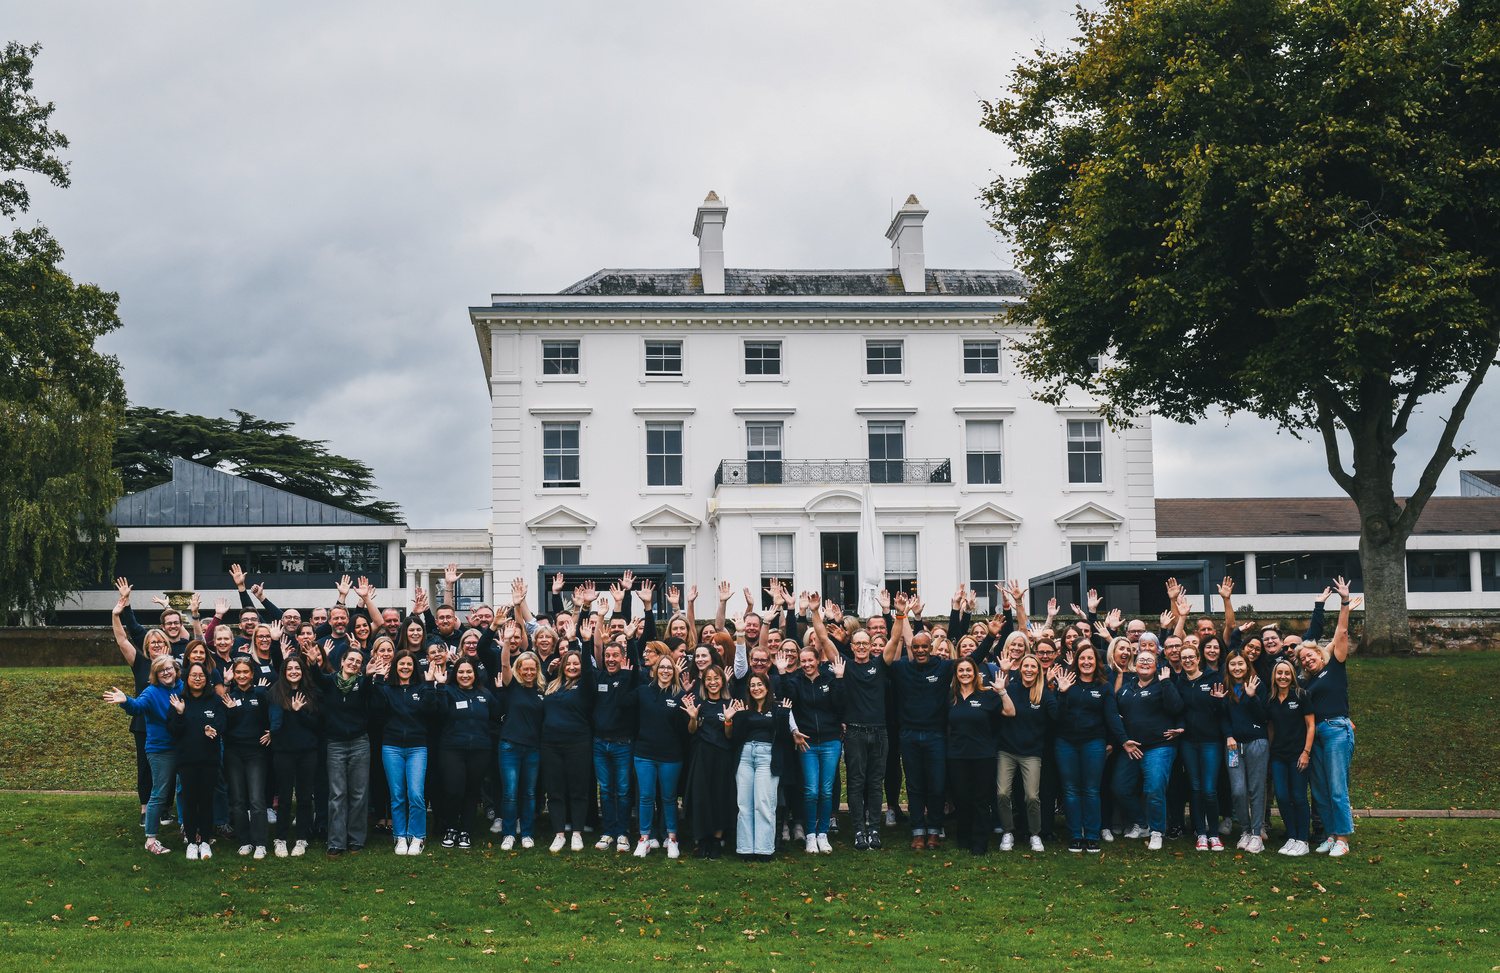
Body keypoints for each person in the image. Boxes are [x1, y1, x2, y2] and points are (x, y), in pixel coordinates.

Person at [1300, 579, 1361, 857]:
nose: (1305, 660)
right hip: (1317, 735)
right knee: (1321, 790)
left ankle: (1343, 838)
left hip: (1337, 730)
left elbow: (1342, 631)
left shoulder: (1335, 665)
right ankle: (1329, 835)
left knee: (1338, 787)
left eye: (1308, 655)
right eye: (1302, 659)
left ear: (1319, 653)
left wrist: (1344, 601)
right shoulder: (1309, 683)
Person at [110, 579, 174, 830]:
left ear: (167, 645)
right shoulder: (140, 662)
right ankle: (146, 808)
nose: (157, 645)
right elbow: (121, 639)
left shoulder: (175, 666)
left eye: (161, 642)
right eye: (152, 642)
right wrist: (117, 614)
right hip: (143, 722)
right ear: (147, 646)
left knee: (171, 765)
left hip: (170, 721)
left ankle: (166, 807)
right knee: (146, 767)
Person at [102, 654, 182, 855]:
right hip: (160, 750)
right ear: (155, 674)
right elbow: (137, 707)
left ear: (175, 669)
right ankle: (151, 839)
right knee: (160, 792)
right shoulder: (152, 692)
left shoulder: (182, 687)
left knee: (184, 789)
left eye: (169, 668)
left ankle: (186, 829)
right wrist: (126, 700)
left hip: (183, 747)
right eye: (161, 670)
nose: (166, 672)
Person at [1052, 643, 1125, 852]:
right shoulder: (1067, 682)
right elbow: (1056, 716)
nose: (1086, 662)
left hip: (1093, 743)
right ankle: (1076, 834)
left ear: (1097, 663)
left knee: (1092, 790)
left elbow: (1112, 716)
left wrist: (1122, 739)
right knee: (1071, 790)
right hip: (1065, 743)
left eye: (1090, 659)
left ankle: (1092, 834)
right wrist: (1063, 692)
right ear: (1076, 661)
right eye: (1082, 658)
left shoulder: (1104, 686)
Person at [312, 644, 381, 857]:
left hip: (359, 743)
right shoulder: (330, 682)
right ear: (342, 661)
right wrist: (314, 662)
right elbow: (317, 678)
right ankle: (336, 841)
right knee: (337, 794)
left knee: (359, 794)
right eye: (350, 660)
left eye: (358, 662)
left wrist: (369, 677)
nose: (353, 663)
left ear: (361, 667)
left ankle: (356, 839)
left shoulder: (362, 683)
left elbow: (369, 695)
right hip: (335, 744)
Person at [1112, 648, 1182, 850]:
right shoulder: (1127, 687)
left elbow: (1177, 707)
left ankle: (1156, 831)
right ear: (1135, 663)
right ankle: (1141, 824)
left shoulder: (1164, 684)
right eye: (1141, 659)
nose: (1144, 662)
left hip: (1159, 746)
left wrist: (1167, 682)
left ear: (1156, 665)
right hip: (1132, 747)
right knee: (1120, 787)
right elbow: (1115, 710)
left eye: (1149, 660)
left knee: (1154, 788)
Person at [430, 658, 502, 850]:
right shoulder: (449, 691)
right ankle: (451, 828)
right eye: (461, 672)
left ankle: (465, 831)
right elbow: (440, 712)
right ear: (456, 674)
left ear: (475, 674)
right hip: (452, 749)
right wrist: (441, 687)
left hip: (480, 749)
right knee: (454, 791)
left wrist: (501, 690)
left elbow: (500, 715)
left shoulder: (485, 694)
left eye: (469, 672)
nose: (465, 675)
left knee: (471, 792)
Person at [946, 657, 1013, 855]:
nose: (965, 673)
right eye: (961, 671)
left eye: (969, 670)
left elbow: (1010, 711)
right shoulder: (951, 697)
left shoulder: (986, 695)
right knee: (961, 798)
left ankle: (980, 841)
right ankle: (964, 837)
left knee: (981, 799)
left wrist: (1002, 691)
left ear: (975, 673)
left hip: (982, 755)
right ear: (956, 674)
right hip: (957, 755)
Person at [782, 645, 846, 854]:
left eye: (811, 660)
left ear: (818, 660)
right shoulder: (795, 682)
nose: (807, 664)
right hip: (806, 742)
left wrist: (838, 679)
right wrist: (782, 673)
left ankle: (823, 834)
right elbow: (788, 701)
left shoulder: (828, 679)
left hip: (830, 741)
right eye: (804, 661)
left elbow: (839, 705)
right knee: (811, 791)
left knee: (826, 791)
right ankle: (810, 835)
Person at [727, 672, 793, 861]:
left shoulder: (778, 708)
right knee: (745, 804)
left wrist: (785, 715)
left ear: (767, 687)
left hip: (767, 757)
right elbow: (736, 738)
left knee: (764, 804)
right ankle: (746, 848)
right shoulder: (745, 709)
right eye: (752, 685)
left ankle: (764, 849)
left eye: (759, 684)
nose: (756, 688)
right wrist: (737, 717)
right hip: (746, 756)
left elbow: (782, 737)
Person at [996, 654, 1057, 852]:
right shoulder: (1011, 689)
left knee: (1032, 796)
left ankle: (1035, 834)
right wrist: (1004, 675)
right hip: (1007, 751)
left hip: (1032, 753)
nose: (1029, 669)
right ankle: (1007, 832)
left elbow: (1057, 716)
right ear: (1020, 669)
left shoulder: (1044, 693)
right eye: (1026, 666)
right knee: (1003, 793)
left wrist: (1062, 693)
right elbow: (1000, 709)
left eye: (1033, 666)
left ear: (1039, 670)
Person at [374, 649, 431, 855]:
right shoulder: (387, 689)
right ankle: (399, 836)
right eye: (401, 664)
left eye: (409, 664)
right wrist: (379, 680)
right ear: (395, 666)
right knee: (397, 795)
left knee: (415, 793)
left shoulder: (422, 688)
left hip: (417, 747)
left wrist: (432, 685)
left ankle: (417, 836)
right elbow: (377, 709)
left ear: (414, 667)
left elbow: (431, 711)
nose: (405, 667)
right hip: (392, 747)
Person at [541, 647, 597, 852]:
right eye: (569, 663)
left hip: (578, 743)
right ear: (563, 666)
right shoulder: (552, 686)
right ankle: (559, 834)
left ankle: (577, 834)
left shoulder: (585, 686)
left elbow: (590, 673)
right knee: (555, 791)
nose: (572, 667)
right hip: (550, 744)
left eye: (577, 663)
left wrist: (584, 641)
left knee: (578, 790)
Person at [169, 661, 227, 860]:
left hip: (209, 760)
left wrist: (214, 728)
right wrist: (179, 713)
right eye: (193, 675)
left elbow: (222, 721)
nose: (197, 678)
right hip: (187, 761)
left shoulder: (215, 700)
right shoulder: (178, 700)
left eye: (201, 675)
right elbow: (174, 730)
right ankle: (192, 843)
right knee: (190, 802)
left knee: (206, 801)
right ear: (187, 678)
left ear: (206, 678)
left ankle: (205, 841)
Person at [632, 655, 688, 859]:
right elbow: (623, 706)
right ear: (654, 671)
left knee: (669, 798)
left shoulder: (680, 695)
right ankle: (644, 839)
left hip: (671, 756)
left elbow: (686, 730)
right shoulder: (643, 692)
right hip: (644, 753)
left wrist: (690, 717)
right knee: (646, 798)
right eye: (661, 667)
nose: (665, 671)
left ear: (674, 672)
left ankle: (672, 839)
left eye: (669, 668)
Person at [1176, 643, 1228, 851]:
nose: (1187, 661)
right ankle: (1201, 834)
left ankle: (1214, 834)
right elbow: (1176, 710)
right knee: (1195, 789)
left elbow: (1224, 710)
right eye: (1184, 658)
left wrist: (1218, 703)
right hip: (1188, 742)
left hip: (1211, 742)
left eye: (1191, 657)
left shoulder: (1214, 679)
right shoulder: (1178, 683)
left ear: (1198, 659)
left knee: (1209, 789)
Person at [681, 664, 737, 859]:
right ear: (704, 683)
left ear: (723, 681)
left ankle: (716, 841)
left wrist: (729, 721)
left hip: (722, 757)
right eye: (708, 679)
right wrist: (693, 718)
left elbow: (730, 736)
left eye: (716, 678)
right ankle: (703, 839)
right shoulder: (698, 702)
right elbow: (691, 731)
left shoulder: (730, 703)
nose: (712, 682)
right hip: (702, 756)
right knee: (702, 797)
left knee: (720, 797)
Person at [268, 656, 320, 857]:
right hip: (284, 752)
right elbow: (275, 721)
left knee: (305, 797)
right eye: (289, 668)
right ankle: (280, 839)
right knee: (284, 798)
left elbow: (316, 724)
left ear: (302, 671)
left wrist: (299, 712)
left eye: (297, 668)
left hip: (307, 751)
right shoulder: (275, 693)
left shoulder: (310, 692)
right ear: (284, 671)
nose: (293, 671)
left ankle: (301, 839)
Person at [496, 643, 545, 850]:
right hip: (510, 747)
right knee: (510, 793)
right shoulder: (512, 686)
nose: (529, 672)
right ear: (519, 669)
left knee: (529, 793)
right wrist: (506, 642)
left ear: (537, 670)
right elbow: (504, 663)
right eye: (525, 668)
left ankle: (526, 833)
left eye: (532, 668)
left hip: (533, 748)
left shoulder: (543, 690)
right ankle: (508, 833)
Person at [1222, 648, 1269, 853]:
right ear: (1228, 667)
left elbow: (1263, 717)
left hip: (1256, 743)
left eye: (1241, 663)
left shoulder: (1257, 685)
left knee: (1256, 789)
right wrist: (1228, 735)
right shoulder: (1225, 687)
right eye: (1233, 664)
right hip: (1233, 745)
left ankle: (1257, 835)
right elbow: (1223, 717)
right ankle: (1246, 831)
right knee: (1238, 790)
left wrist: (1252, 697)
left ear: (1247, 665)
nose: (1237, 667)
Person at [1266, 657, 1315, 856]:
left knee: (1299, 796)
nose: (1283, 677)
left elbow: (1311, 726)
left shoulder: (1302, 695)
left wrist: (1306, 752)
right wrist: (1269, 754)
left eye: (1287, 673)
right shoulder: (1270, 699)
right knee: (1283, 798)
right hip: (1278, 755)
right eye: (1279, 673)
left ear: (1292, 676)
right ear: (1274, 676)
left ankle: (1303, 840)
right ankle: (1292, 837)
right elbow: (1270, 728)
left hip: (1298, 755)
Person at [223, 658, 272, 859]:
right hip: (233, 752)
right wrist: (232, 711)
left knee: (257, 799)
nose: (242, 676)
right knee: (238, 800)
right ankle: (244, 842)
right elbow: (224, 727)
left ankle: (260, 843)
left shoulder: (261, 694)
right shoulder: (228, 697)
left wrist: (272, 732)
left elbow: (268, 718)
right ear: (233, 675)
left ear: (252, 674)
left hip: (256, 753)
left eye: (245, 672)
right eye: (238, 672)